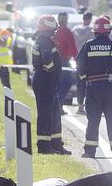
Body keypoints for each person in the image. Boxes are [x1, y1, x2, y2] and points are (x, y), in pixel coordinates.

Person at [76, 15, 112, 158]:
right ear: (109, 31)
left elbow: (79, 65)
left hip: (94, 88)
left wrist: (85, 79)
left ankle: (90, 151)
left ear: (95, 31)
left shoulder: (88, 46)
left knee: (93, 120)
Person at [31, 15, 68, 154]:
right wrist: (52, 71)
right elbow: (47, 61)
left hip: (48, 81)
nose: (55, 32)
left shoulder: (46, 41)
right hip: (44, 81)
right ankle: (44, 147)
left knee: (54, 113)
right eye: (54, 29)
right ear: (49, 30)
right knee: (45, 114)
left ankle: (56, 144)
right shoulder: (44, 42)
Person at [54, 12, 79, 114]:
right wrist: (77, 59)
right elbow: (72, 46)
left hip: (54, 61)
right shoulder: (67, 31)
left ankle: (57, 106)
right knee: (67, 83)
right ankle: (58, 105)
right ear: (66, 20)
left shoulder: (55, 31)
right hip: (64, 61)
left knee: (59, 84)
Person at [72, 11, 95, 115]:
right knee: (90, 83)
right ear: (90, 19)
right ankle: (90, 105)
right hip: (89, 60)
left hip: (78, 59)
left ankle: (80, 106)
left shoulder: (74, 30)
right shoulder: (92, 31)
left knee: (79, 84)